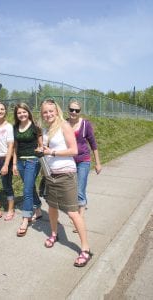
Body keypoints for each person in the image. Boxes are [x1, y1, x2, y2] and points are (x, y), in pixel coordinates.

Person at [40, 98, 93, 267]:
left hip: (66, 175)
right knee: (52, 207)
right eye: (45, 112)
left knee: (72, 212)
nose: (48, 114)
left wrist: (52, 152)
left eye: (51, 111)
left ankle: (85, 249)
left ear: (57, 112)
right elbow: (45, 150)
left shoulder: (64, 126)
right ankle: (54, 234)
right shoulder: (45, 129)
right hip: (51, 175)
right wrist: (42, 151)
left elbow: (74, 150)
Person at [67, 99, 102, 231]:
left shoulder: (85, 124)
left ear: (80, 111)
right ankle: (77, 210)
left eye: (77, 110)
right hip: (69, 161)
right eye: (71, 109)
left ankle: (80, 219)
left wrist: (98, 163)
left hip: (83, 160)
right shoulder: (64, 124)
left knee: (80, 189)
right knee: (72, 188)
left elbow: (93, 144)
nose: (74, 112)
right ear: (68, 110)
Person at [13, 103, 43, 237]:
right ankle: (39, 209)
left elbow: (41, 146)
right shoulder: (15, 128)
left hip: (33, 160)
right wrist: (14, 164)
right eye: (19, 113)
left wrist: (40, 149)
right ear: (16, 115)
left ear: (28, 112)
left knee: (26, 190)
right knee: (30, 188)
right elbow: (15, 147)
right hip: (20, 161)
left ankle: (26, 218)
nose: (22, 115)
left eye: (24, 112)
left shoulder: (35, 127)